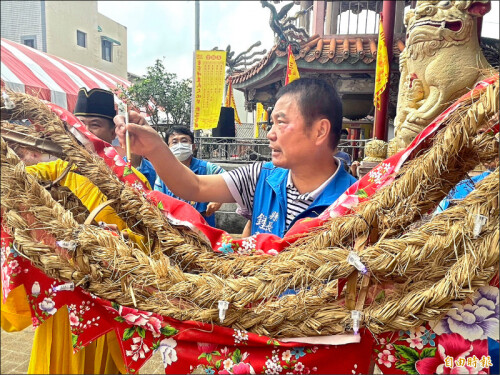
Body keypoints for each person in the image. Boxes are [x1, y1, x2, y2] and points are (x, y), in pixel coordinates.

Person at [115, 78, 357, 237]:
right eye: (271, 123)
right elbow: (194, 186)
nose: (270, 134)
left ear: (319, 131)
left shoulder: (357, 202)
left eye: (281, 123)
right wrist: (155, 147)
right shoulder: (260, 177)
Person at [74, 87, 157, 188]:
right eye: (79, 124)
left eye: (95, 125)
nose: (85, 130)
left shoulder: (129, 176)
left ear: (113, 133)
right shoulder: (57, 169)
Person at [154, 125, 225, 227]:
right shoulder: (163, 174)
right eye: (174, 142)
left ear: (193, 146)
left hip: (204, 230)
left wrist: (218, 200)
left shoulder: (207, 168)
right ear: (167, 148)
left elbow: (232, 180)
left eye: (184, 141)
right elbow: (157, 200)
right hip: (174, 233)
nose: (179, 145)